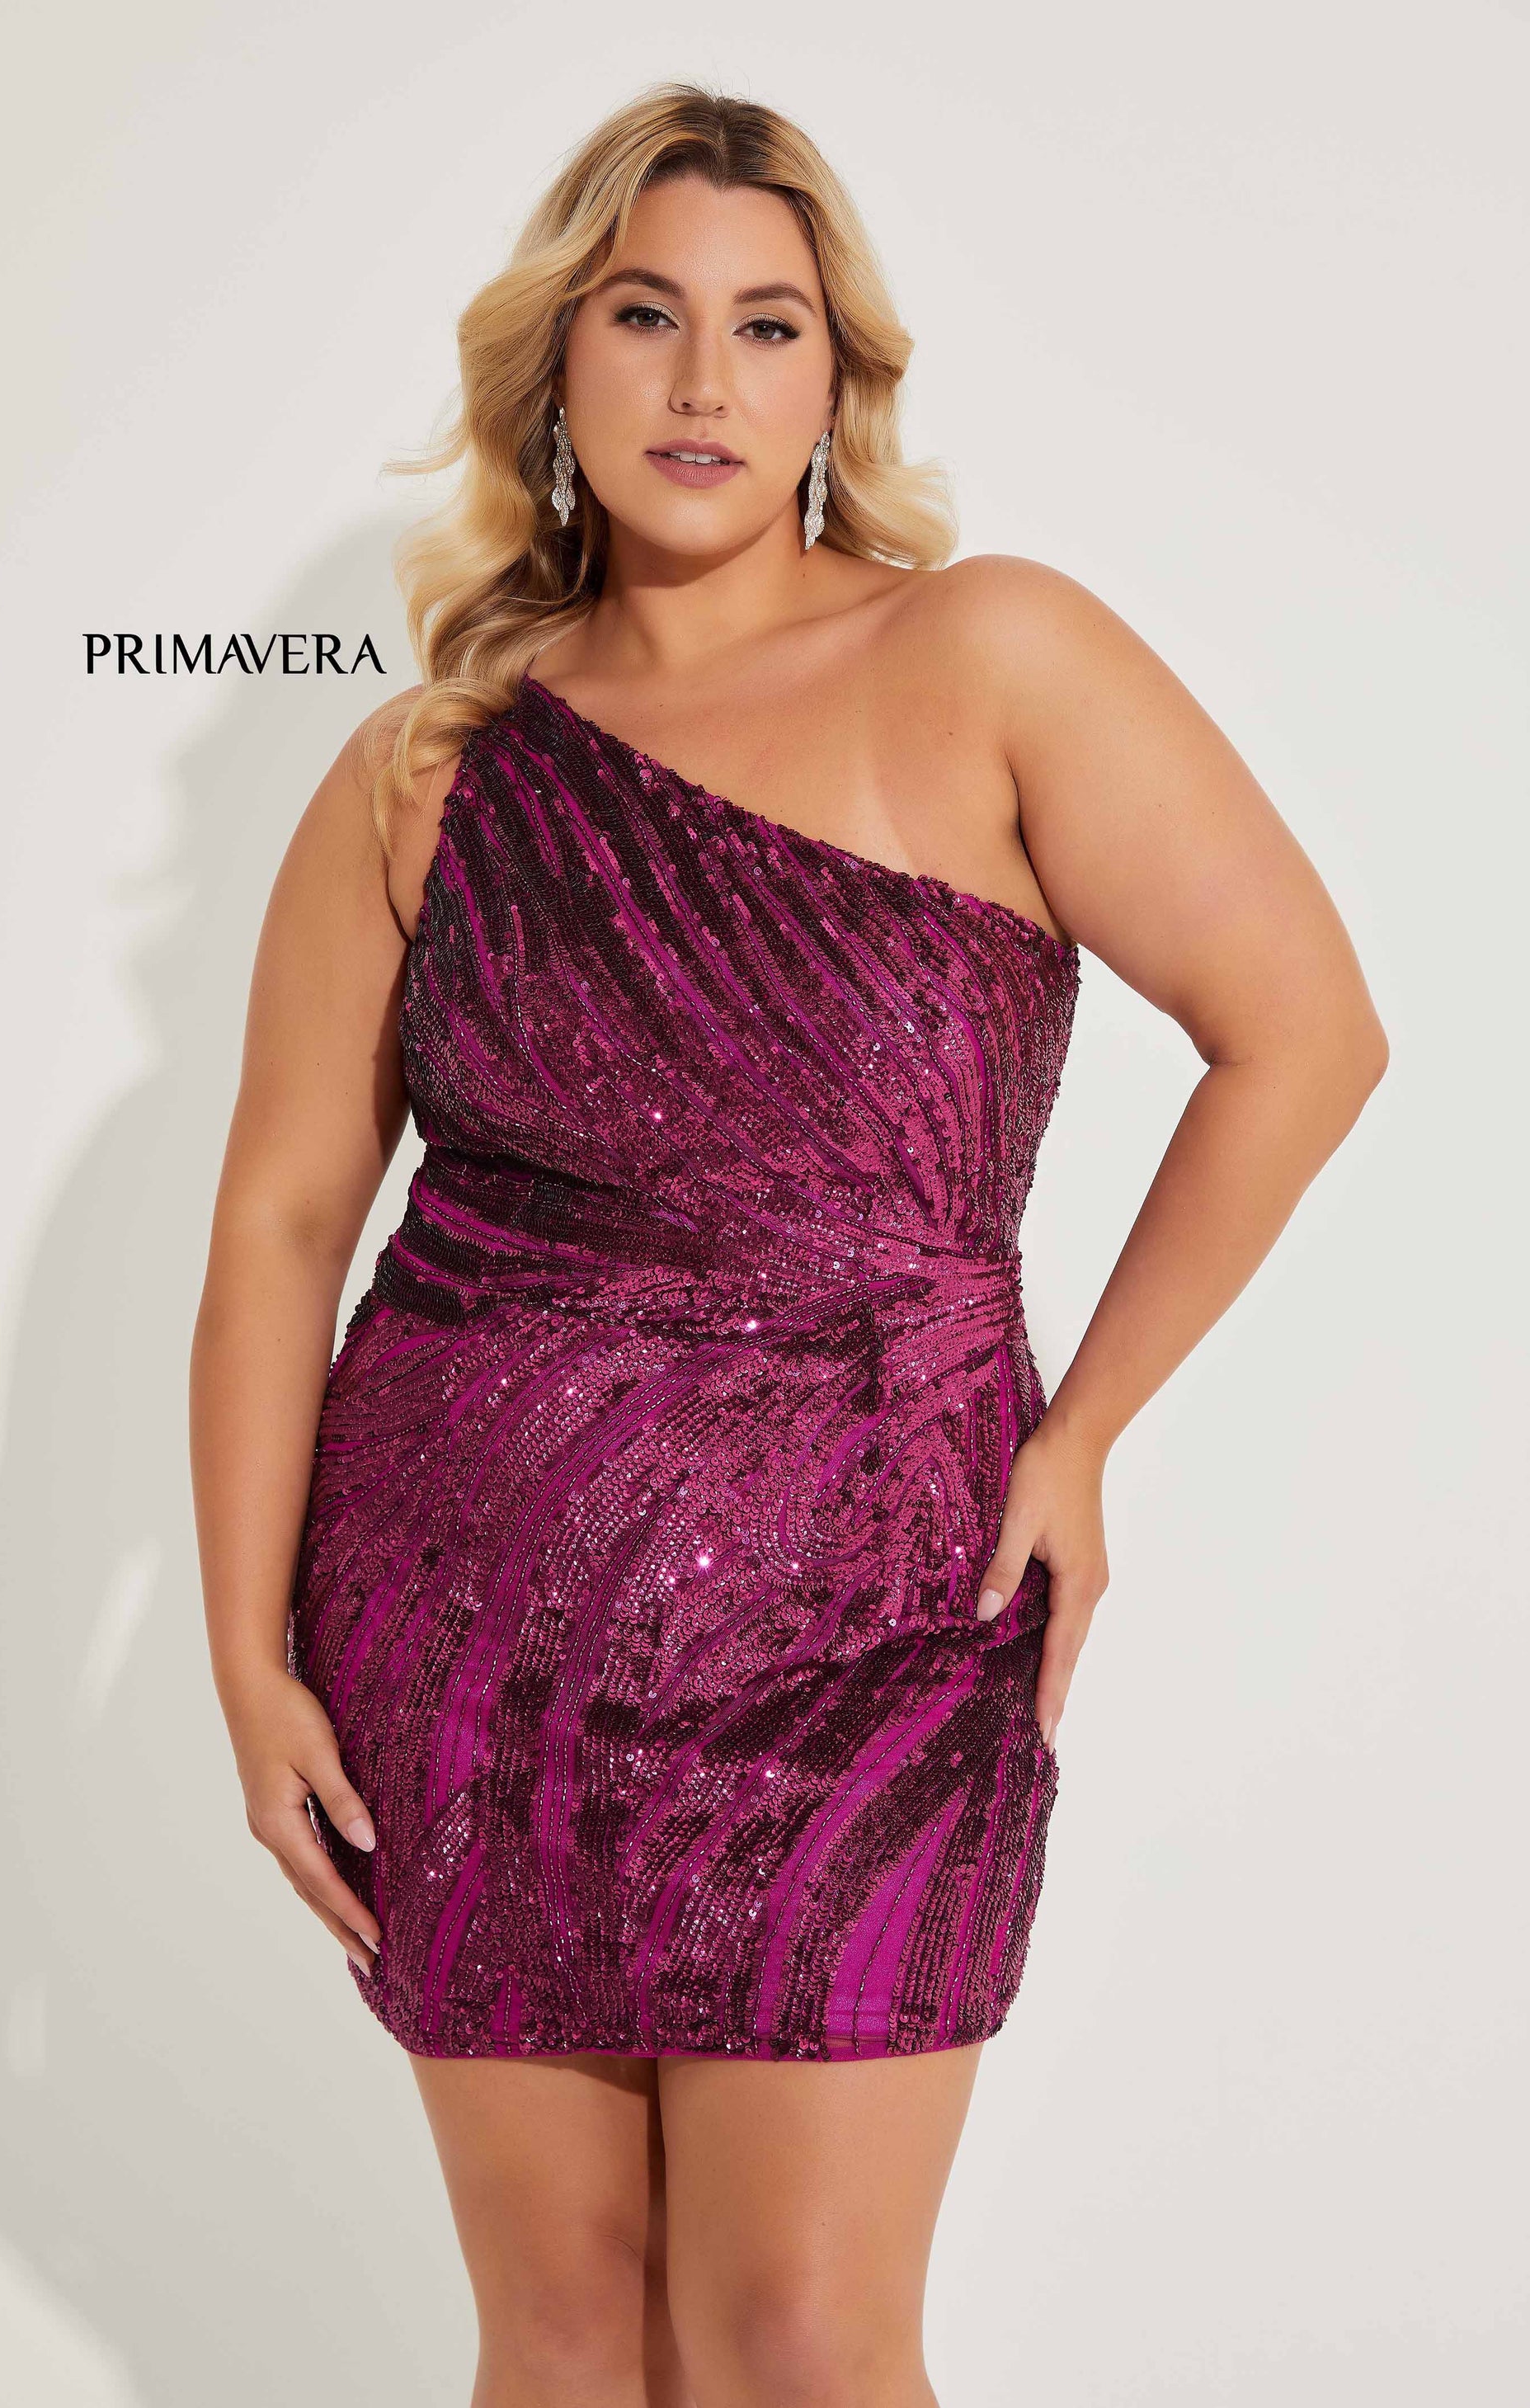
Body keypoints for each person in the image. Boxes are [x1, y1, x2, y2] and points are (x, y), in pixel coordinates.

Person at [189, 81, 1387, 2408]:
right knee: (565, 2340)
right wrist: (248, 1662)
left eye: (768, 326)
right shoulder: (428, 764)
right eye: (645, 315)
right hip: (471, 1618)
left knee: (803, 2345)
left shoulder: (994, 650)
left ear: (840, 382)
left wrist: (1082, 1435)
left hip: (883, 1601)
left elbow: (1305, 1035)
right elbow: (280, 1214)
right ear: (556, 357)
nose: (704, 381)